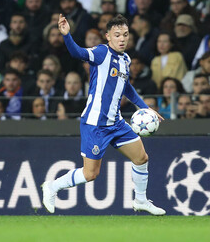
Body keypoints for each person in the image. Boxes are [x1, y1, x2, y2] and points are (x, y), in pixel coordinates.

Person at [41, 13, 166, 216]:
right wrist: (66, 35)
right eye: (117, 35)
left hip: (116, 122)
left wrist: (145, 108)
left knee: (141, 158)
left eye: (125, 34)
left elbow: (127, 88)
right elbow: (78, 53)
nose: (122, 38)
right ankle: (52, 187)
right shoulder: (101, 53)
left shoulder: (126, 59)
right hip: (95, 123)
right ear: (108, 36)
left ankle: (141, 200)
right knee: (91, 174)